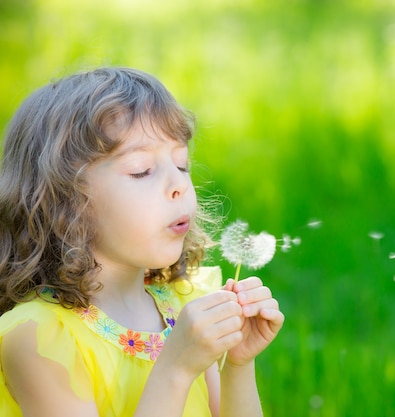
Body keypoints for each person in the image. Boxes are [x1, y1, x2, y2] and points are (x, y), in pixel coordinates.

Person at [0, 67, 284, 417]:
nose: (178, 186)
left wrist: (239, 364)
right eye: (141, 170)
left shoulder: (181, 303)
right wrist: (176, 369)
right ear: (65, 201)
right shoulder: (40, 338)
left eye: (182, 164)